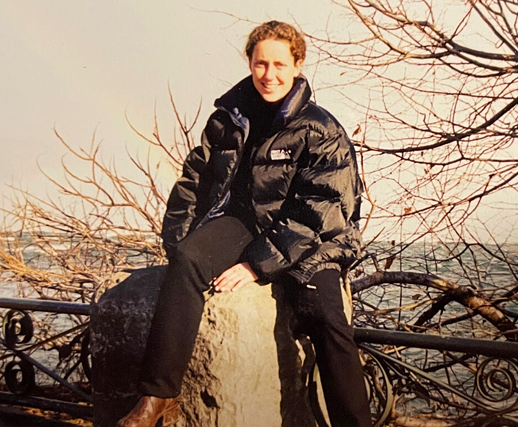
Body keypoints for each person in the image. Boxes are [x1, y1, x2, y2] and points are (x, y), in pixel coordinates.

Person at [116, 21, 372, 427]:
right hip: (244, 223)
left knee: (325, 316)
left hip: (314, 240)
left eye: (279, 65)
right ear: (249, 63)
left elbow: (320, 210)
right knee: (187, 260)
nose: (269, 75)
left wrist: (256, 265)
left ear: (298, 65)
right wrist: (181, 242)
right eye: (260, 64)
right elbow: (193, 182)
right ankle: (158, 396)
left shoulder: (320, 128)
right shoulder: (228, 119)